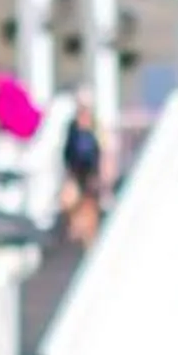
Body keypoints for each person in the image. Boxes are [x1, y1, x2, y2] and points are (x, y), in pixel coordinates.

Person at [59, 98, 109, 246]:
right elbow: (67, 151)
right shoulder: (72, 129)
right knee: (70, 201)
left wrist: (102, 173)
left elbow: (103, 151)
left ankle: (89, 236)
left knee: (89, 203)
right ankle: (76, 230)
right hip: (75, 172)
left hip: (91, 173)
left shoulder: (95, 128)